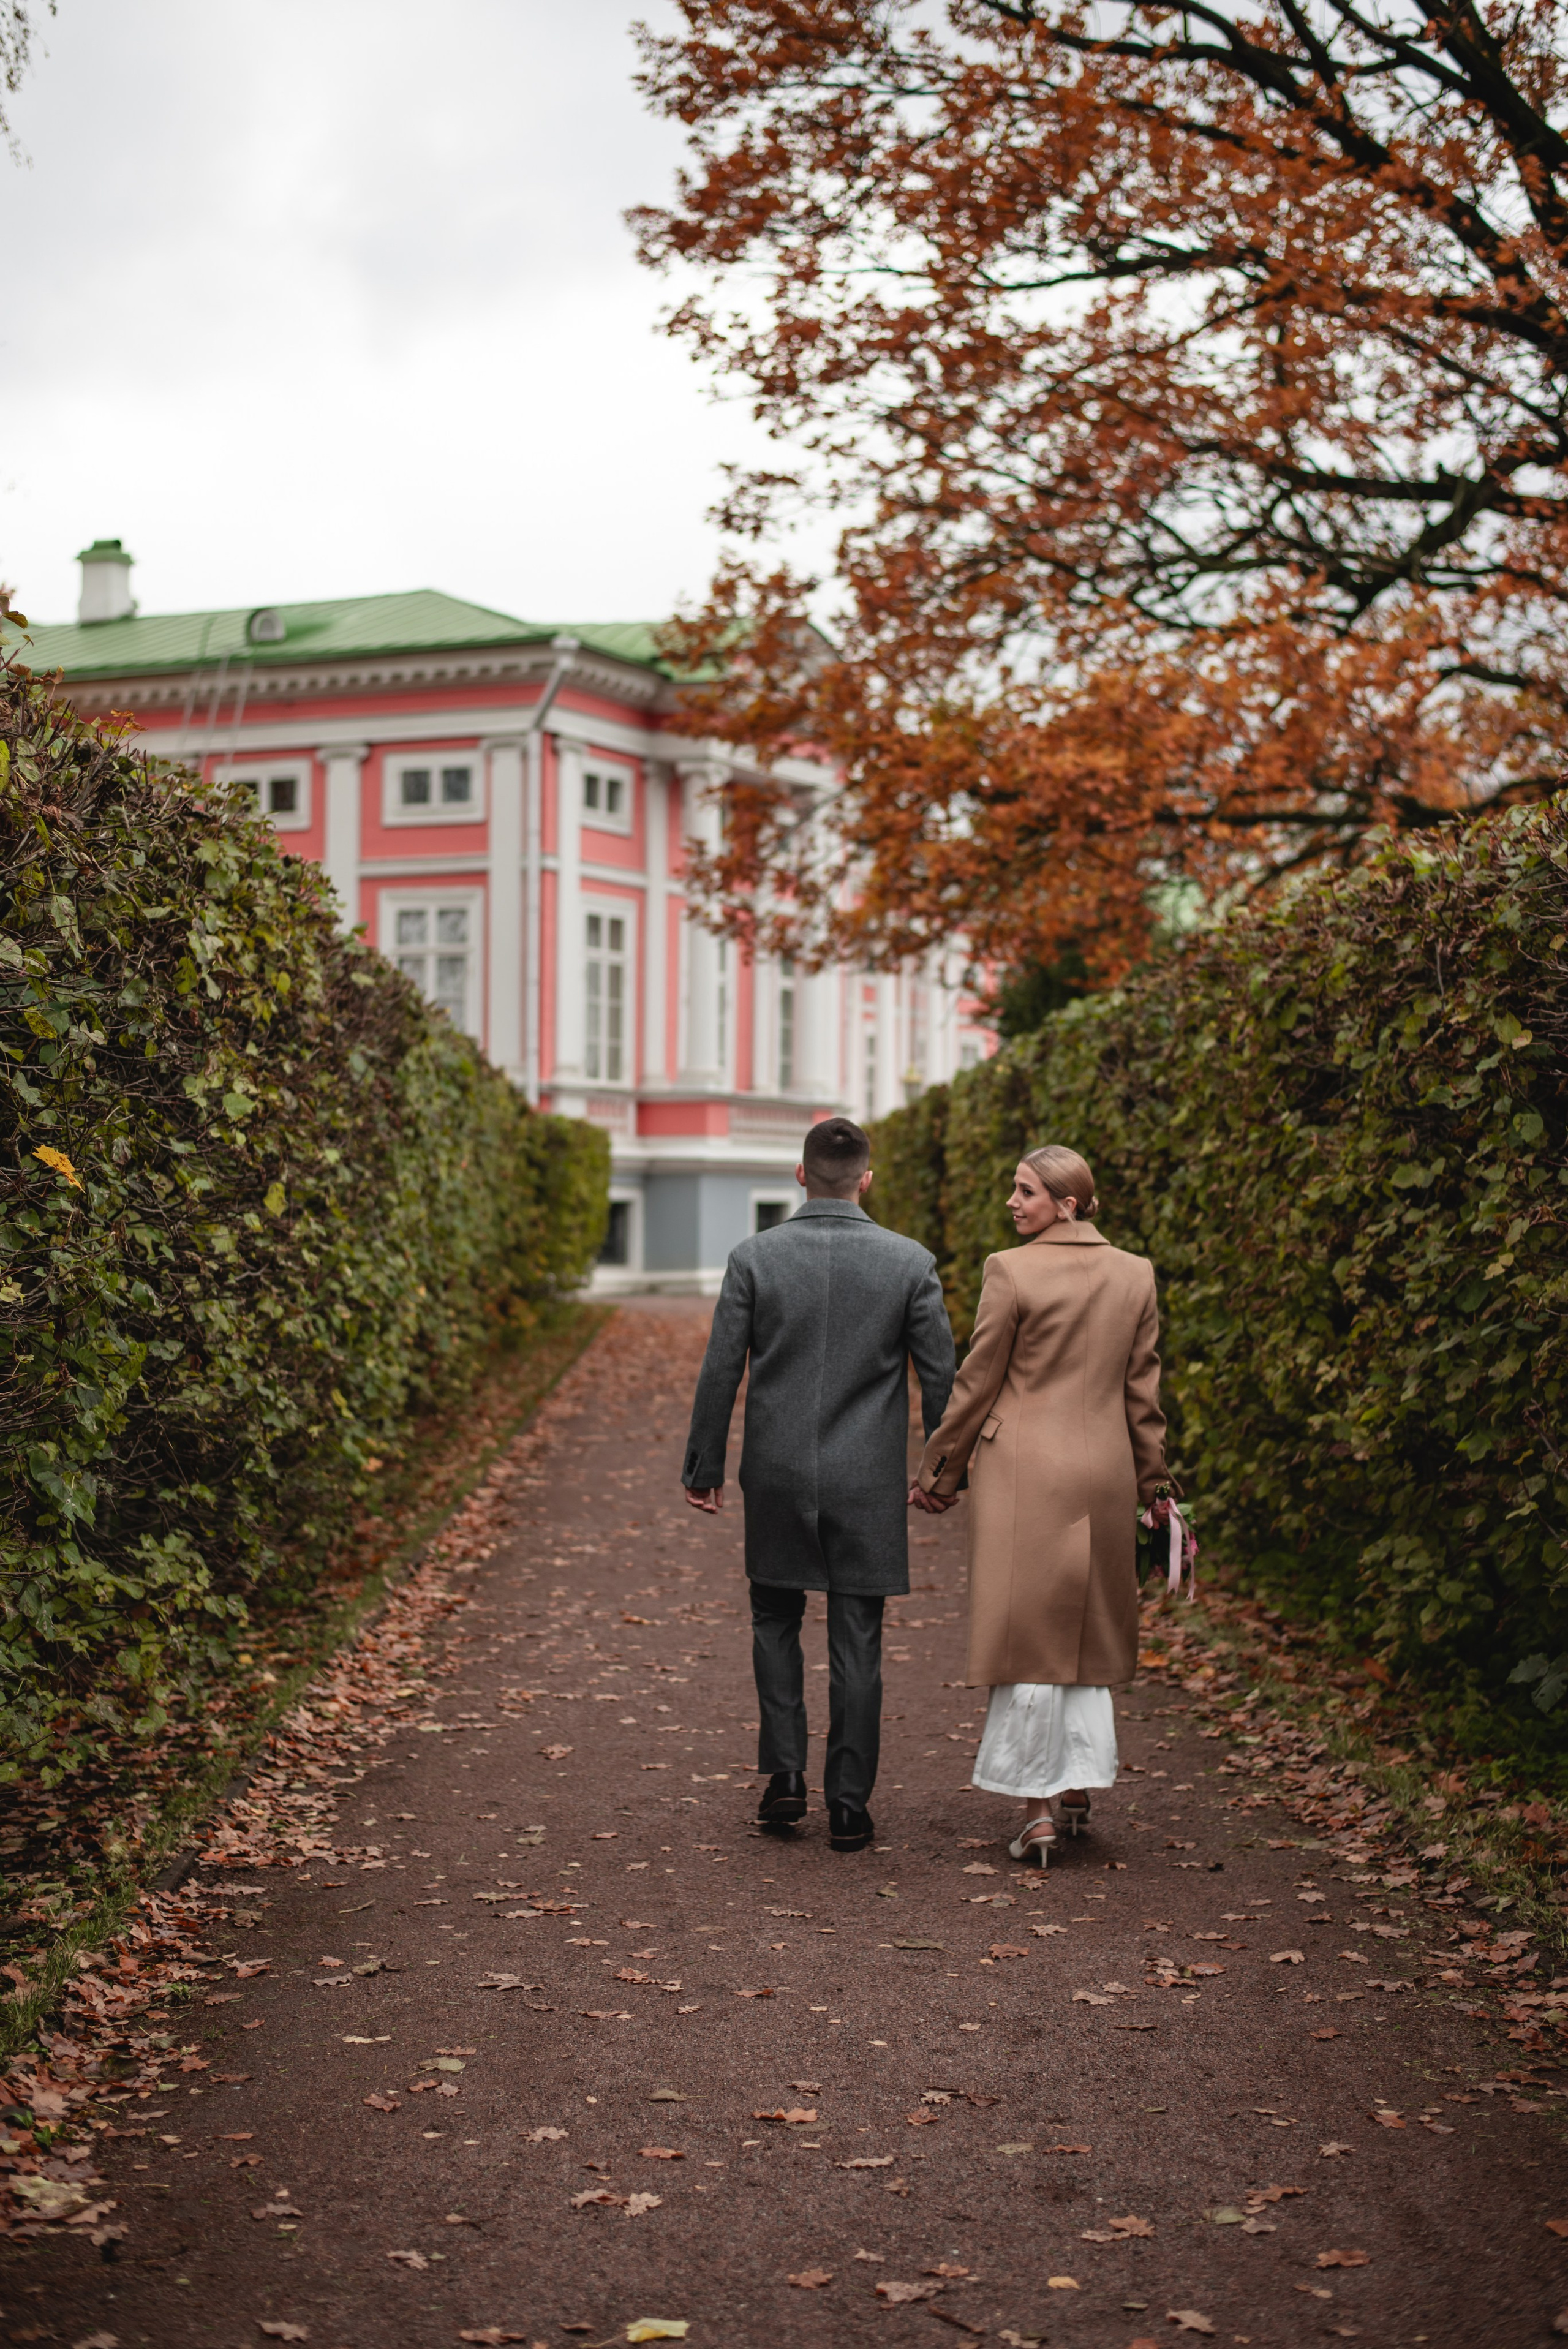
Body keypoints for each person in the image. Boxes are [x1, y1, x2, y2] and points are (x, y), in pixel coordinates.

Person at [682, 1116, 956, 1852]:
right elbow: (941, 1379)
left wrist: (704, 1467)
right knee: (856, 1637)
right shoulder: (909, 1262)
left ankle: (784, 1779)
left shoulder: (754, 1257)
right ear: (866, 1179)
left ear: (800, 1175)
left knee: (774, 1617)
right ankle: (848, 1803)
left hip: (774, 1472)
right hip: (866, 1479)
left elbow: (720, 1369)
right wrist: (942, 1472)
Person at [910, 1144, 1170, 1866]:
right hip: (1106, 1469)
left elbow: (977, 1381)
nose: (1011, 1202)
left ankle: (1037, 1812)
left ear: (1067, 1203)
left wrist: (939, 1471)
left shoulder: (1010, 1270)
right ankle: (1079, 1782)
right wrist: (1153, 1488)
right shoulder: (1135, 1274)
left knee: (1027, 1641)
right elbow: (1142, 1395)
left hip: (1024, 1472)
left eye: (1025, 1191)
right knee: (1084, 1628)